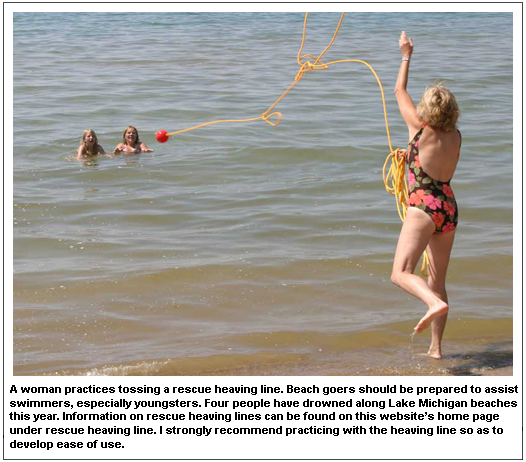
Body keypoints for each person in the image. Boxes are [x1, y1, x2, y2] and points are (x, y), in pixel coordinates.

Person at [390, 31, 462, 359]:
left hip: (424, 205)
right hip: (448, 206)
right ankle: (436, 349)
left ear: (426, 108)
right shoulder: (456, 136)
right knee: (438, 279)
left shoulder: (419, 128)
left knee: (400, 273)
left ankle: (432, 303)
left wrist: (406, 54)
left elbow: (398, 90)